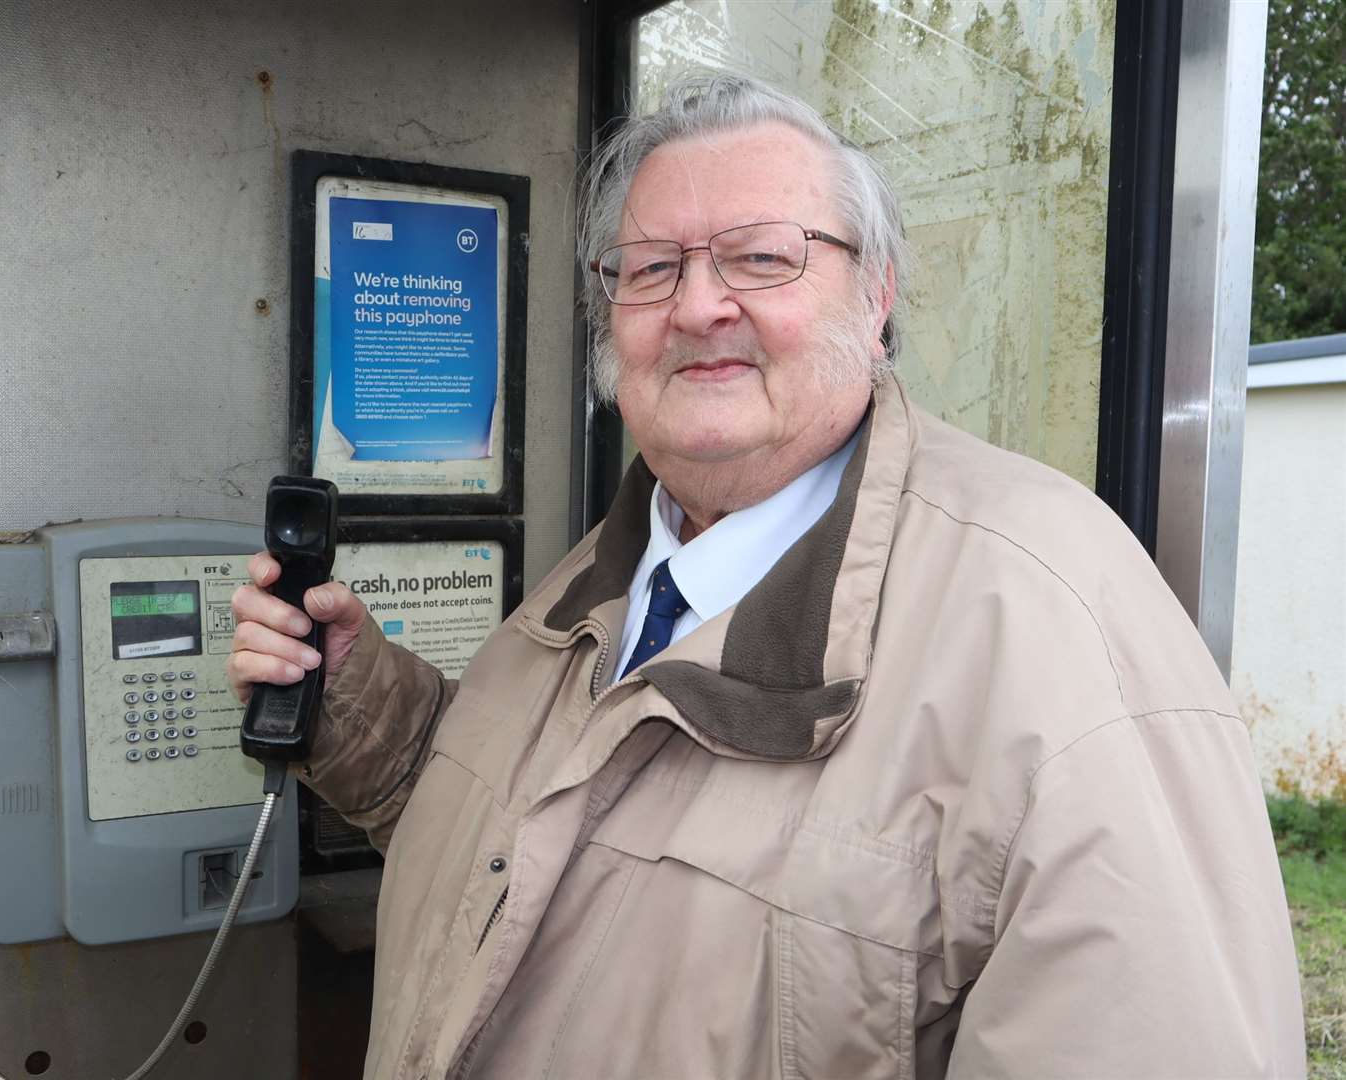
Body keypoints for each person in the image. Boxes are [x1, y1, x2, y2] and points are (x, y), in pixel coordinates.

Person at [229, 72, 1305, 1079]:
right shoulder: (598, 580)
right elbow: (539, 852)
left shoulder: (1056, 625)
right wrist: (360, 710)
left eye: (762, 256)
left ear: (876, 296)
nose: (698, 307)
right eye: (652, 267)